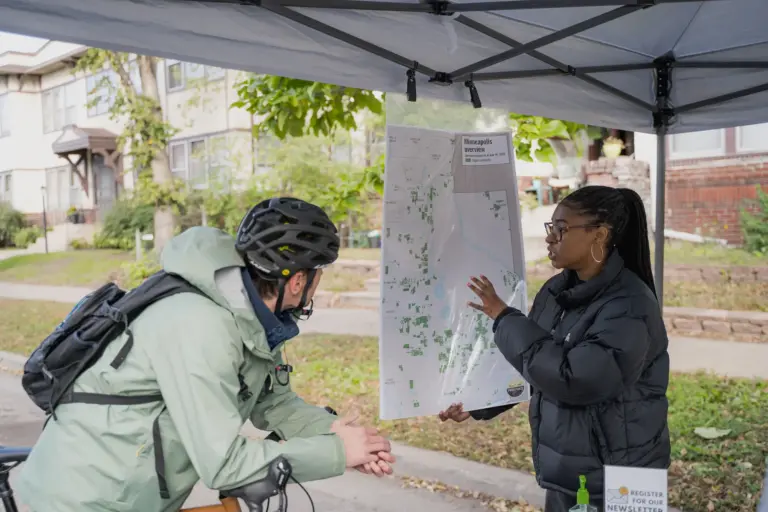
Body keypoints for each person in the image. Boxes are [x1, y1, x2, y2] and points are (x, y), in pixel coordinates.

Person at [17, 197, 395, 512]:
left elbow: (272, 402)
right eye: (318, 274)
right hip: (82, 499)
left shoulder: (252, 317)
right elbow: (225, 465)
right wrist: (335, 454)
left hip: (128, 496)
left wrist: (334, 432)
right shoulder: (199, 325)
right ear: (298, 281)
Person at [439, 186, 670, 511]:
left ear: (599, 235)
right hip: (570, 474)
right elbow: (534, 366)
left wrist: (504, 317)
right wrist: (481, 403)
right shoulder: (555, 292)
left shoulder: (630, 306)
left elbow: (575, 379)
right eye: (551, 228)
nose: (550, 239)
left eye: (561, 230)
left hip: (623, 479)